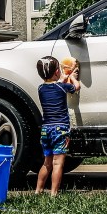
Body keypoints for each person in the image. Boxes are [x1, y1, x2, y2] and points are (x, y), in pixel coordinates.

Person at [34, 56, 82, 195]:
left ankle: (38, 190)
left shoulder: (41, 88)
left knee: (47, 163)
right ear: (56, 72)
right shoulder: (62, 87)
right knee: (57, 163)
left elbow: (56, 85)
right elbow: (76, 87)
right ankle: (54, 193)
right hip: (60, 129)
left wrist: (63, 77)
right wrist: (72, 77)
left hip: (46, 130)